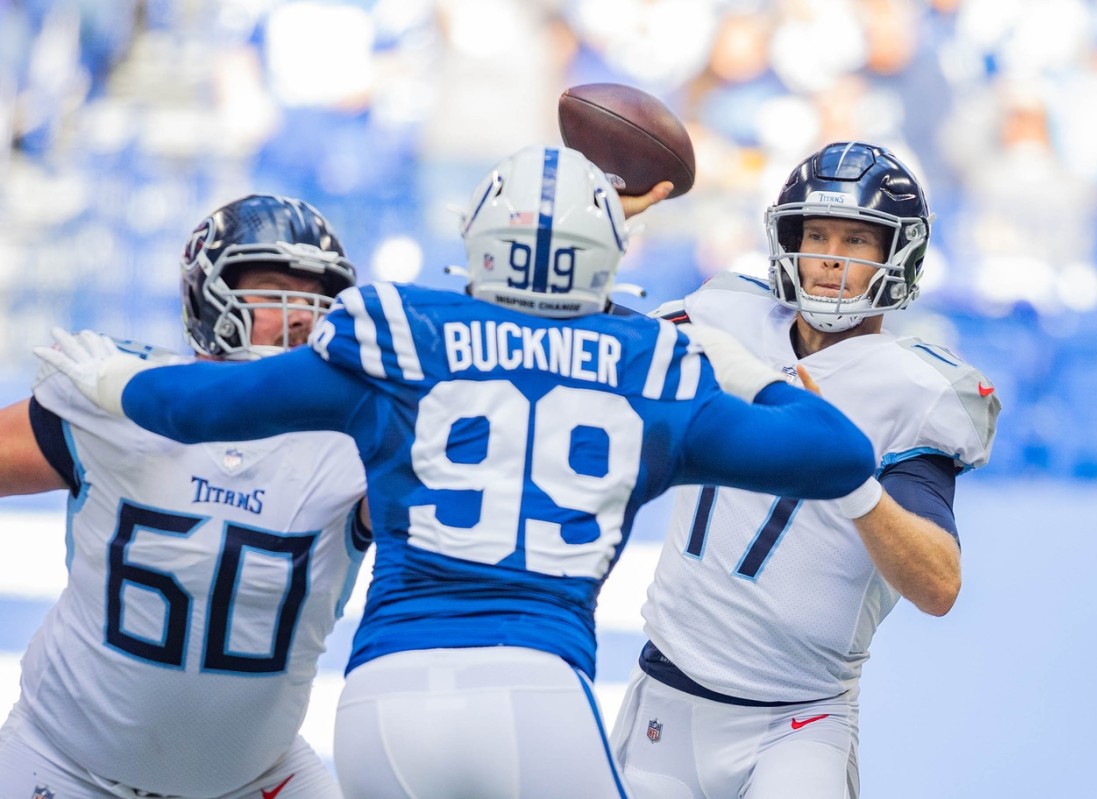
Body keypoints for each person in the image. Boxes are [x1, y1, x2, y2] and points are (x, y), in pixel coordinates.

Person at [35, 144, 880, 799]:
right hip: (535, 682)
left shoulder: (404, 333)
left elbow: (204, 406)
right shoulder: (650, 364)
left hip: (382, 699)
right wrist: (750, 373)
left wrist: (117, 383)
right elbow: (841, 454)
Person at [608, 141, 1002, 799]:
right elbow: (589, 354)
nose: (829, 257)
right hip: (667, 699)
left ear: (896, 256)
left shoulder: (911, 387)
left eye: (856, 239)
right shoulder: (723, 311)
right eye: (816, 233)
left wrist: (849, 479)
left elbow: (939, 584)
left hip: (799, 723)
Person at [0, 194, 369, 799]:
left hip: (254, 777)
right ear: (210, 295)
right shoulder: (112, 395)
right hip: (63, 765)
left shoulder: (353, 438)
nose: (302, 313)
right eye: (276, 287)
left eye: (315, 294)